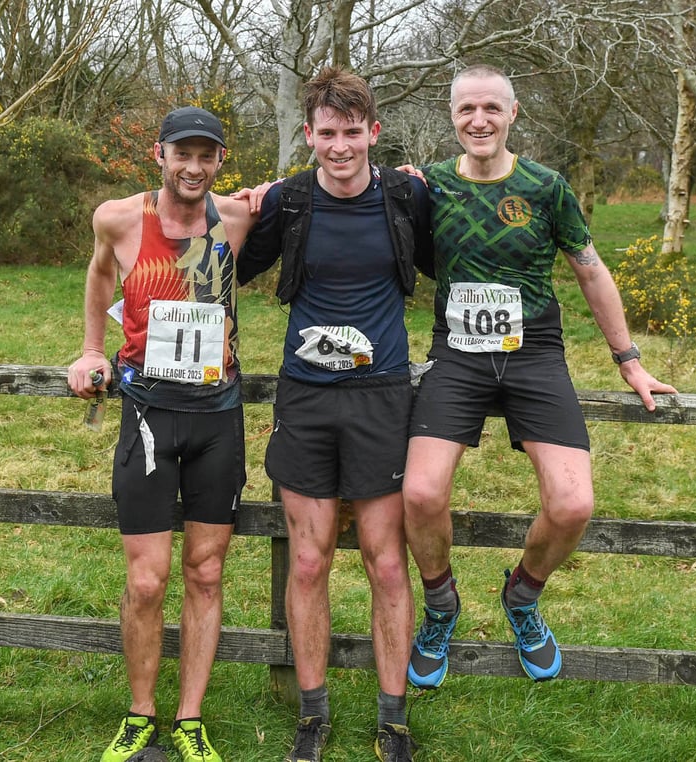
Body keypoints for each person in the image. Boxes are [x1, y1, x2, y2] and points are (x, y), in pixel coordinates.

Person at [402, 64, 678, 689]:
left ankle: (523, 597)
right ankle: (441, 606)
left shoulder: (547, 187)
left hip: (534, 352)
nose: (479, 120)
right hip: (459, 353)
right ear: (452, 115)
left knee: (574, 502)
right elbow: (346, 183)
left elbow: (590, 269)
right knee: (419, 495)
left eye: (492, 110)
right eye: (467, 109)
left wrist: (628, 358)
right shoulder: (428, 187)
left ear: (513, 114)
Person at [236, 66, 433, 762]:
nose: (341, 146)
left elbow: (460, 258)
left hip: (382, 396)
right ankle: (312, 718)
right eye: (328, 133)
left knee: (385, 563)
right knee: (311, 559)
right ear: (311, 137)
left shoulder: (406, 196)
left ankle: (393, 720)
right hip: (307, 397)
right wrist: (242, 207)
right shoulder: (291, 201)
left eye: (353, 133)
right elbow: (226, 262)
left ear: (373, 132)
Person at [67, 106, 258, 762]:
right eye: (184, 154)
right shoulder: (118, 218)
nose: (195, 167)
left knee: (206, 572)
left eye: (208, 156)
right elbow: (97, 275)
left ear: (220, 160)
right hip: (147, 412)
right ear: (160, 154)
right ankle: (140, 713)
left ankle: (191, 718)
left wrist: (404, 179)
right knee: (147, 581)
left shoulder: (238, 217)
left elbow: (328, 188)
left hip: (217, 417)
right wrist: (92, 349)